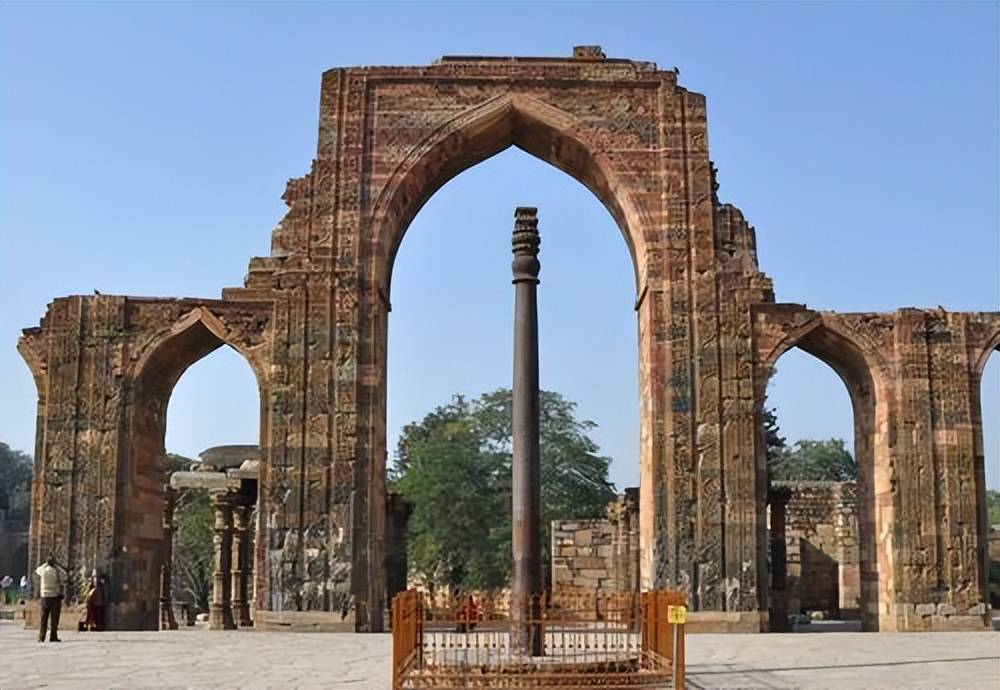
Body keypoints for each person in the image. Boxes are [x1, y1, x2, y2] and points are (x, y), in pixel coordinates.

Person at [35, 556, 64, 643]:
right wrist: (57, 565)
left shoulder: (43, 570)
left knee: (43, 618)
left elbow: (37, 570)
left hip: (44, 596)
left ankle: (41, 637)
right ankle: (53, 636)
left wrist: (45, 564)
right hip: (54, 596)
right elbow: (64, 575)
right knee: (54, 619)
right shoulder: (56, 571)